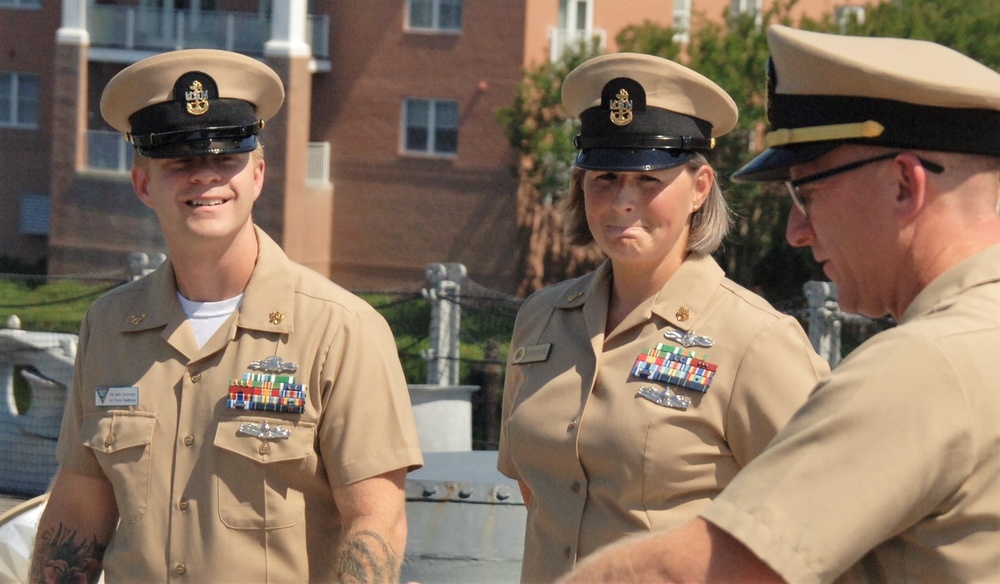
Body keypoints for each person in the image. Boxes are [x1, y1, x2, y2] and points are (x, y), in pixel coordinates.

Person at [561, 25, 1000, 584]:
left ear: (903, 185)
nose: (796, 230)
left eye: (808, 193)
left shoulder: (922, 366)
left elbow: (697, 571)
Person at [29, 49, 423, 583]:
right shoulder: (109, 326)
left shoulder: (339, 329)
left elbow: (376, 519)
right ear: (143, 184)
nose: (206, 178)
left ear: (257, 175)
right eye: (181, 162)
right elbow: (78, 513)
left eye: (225, 160)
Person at [496, 52, 829, 583]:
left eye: (649, 180)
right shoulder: (541, 320)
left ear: (700, 187)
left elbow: (824, 519)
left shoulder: (754, 340)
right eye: (604, 176)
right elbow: (537, 489)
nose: (622, 201)